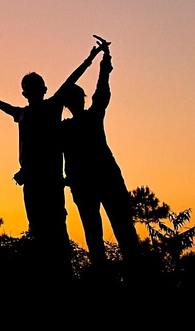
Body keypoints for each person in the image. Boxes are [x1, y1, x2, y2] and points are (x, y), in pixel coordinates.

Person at [0, 39, 102, 277]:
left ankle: (63, 273)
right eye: (27, 87)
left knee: (56, 226)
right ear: (25, 92)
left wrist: (90, 60)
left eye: (34, 86)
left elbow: (72, 79)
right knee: (37, 227)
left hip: (49, 178)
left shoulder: (52, 107)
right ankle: (47, 273)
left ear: (43, 89)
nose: (31, 91)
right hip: (30, 179)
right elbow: (10, 109)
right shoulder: (23, 113)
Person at [60, 38, 140, 272]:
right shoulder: (79, 122)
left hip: (93, 182)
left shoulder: (69, 127)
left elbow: (102, 91)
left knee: (105, 232)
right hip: (97, 181)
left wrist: (105, 62)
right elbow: (101, 91)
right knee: (116, 230)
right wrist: (105, 61)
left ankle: (112, 277)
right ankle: (128, 275)